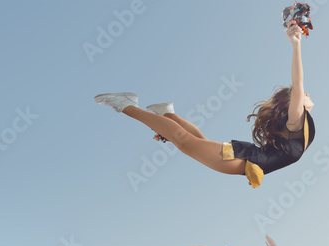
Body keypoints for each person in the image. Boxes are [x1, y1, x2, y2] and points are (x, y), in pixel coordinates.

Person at [94, 22, 314, 188]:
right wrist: (296, 44)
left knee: (195, 142)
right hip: (244, 160)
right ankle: (128, 105)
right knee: (185, 143)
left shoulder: (296, 123)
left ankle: (168, 114)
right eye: (301, 95)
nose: (305, 94)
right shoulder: (296, 123)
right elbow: (298, 83)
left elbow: (298, 85)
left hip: (246, 160)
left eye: (302, 95)